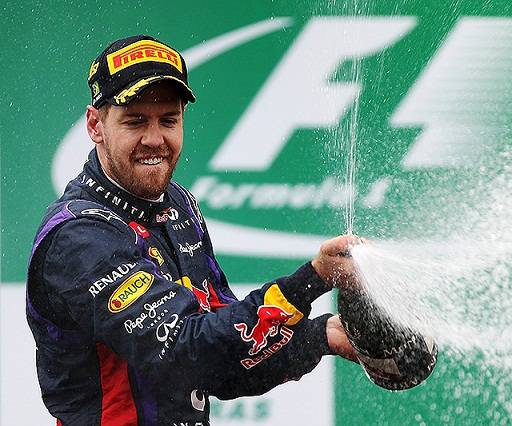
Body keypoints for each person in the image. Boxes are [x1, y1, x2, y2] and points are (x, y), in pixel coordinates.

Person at [26, 35, 359, 426]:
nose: (155, 139)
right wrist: (313, 280)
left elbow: (228, 362)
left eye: (168, 120)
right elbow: (187, 351)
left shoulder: (179, 207)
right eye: (135, 121)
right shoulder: (78, 236)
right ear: (95, 125)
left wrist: (322, 336)